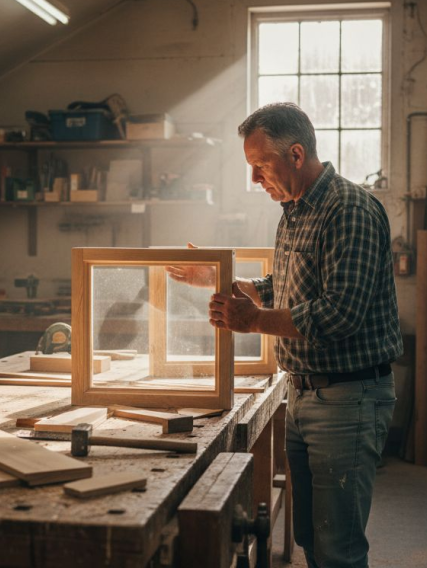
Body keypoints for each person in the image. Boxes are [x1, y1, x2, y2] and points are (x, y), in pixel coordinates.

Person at [168, 102, 403, 567]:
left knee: (339, 548)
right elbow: (286, 286)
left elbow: (339, 314)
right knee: (312, 541)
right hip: (303, 395)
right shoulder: (295, 209)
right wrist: (223, 283)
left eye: (260, 166)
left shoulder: (349, 209)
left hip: (348, 398)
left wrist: (252, 320)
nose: (255, 180)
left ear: (296, 155)